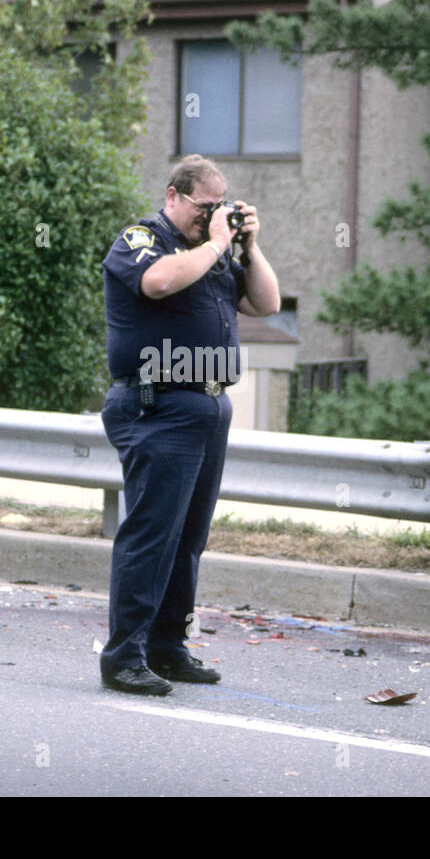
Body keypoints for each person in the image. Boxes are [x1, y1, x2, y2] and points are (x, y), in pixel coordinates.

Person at [99, 154, 280, 695]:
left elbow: (267, 303)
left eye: (220, 207)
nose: (212, 217)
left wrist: (249, 243)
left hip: (206, 403)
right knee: (152, 534)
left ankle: (167, 648)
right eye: (205, 207)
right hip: (156, 402)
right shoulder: (141, 239)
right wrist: (217, 242)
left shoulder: (216, 251)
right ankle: (123, 657)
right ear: (174, 195)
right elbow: (156, 284)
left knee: (187, 540)